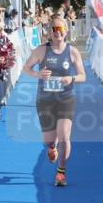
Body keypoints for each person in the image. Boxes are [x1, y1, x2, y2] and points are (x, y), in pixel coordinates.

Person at [21, 16, 86, 187]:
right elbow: (26, 68)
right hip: (45, 100)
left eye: (60, 29)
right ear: (49, 32)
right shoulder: (41, 50)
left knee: (64, 136)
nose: (58, 33)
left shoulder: (72, 52)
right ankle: (52, 147)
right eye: (54, 29)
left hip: (66, 99)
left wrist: (70, 79)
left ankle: (61, 172)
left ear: (66, 31)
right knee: (49, 140)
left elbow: (82, 76)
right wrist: (38, 74)